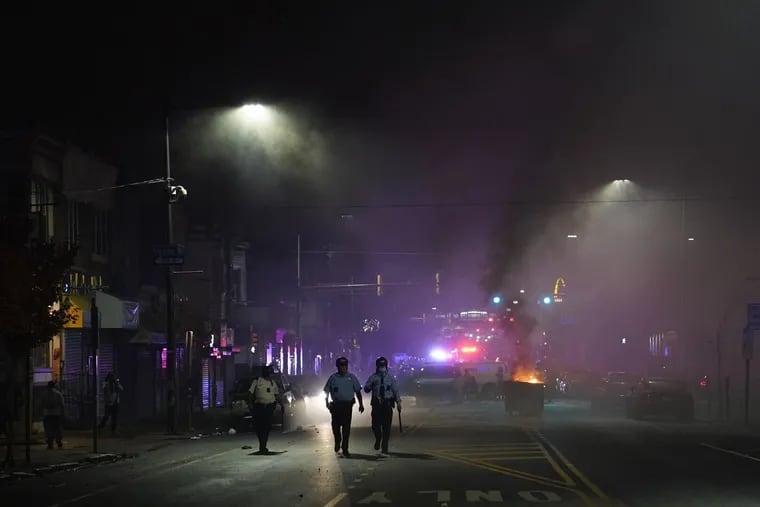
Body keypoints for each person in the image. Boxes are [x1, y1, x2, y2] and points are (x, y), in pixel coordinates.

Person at [324, 356, 364, 457]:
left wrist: (361, 404)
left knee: (346, 428)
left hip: (347, 406)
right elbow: (326, 392)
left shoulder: (352, 378)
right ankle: (338, 441)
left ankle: (345, 448)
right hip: (336, 406)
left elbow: (358, 392)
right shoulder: (333, 378)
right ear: (337, 366)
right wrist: (327, 402)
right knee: (335, 427)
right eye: (341, 365)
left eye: (345, 365)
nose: (343, 367)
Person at [364, 356, 401, 454]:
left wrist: (398, 402)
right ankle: (378, 438)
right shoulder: (373, 377)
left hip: (387, 404)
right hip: (377, 405)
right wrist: (370, 386)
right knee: (375, 425)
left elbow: (396, 390)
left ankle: (385, 445)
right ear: (377, 366)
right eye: (380, 365)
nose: (382, 367)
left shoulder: (390, 378)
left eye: (383, 365)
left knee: (387, 427)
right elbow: (366, 388)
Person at [248, 364, 281, 453]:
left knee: (267, 427)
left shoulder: (272, 382)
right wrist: (250, 404)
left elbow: (277, 395)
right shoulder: (257, 381)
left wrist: (282, 404)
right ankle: (262, 443)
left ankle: (263, 445)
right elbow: (250, 393)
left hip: (269, 407)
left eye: (268, 372)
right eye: (266, 371)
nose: (267, 373)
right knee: (259, 427)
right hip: (259, 407)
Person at [41, 381, 65, 449]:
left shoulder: (44, 394)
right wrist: (62, 413)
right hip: (56, 414)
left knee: (48, 429)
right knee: (57, 429)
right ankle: (59, 442)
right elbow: (62, 405)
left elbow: (41, 404)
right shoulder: (58, 394)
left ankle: (50, 443)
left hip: (47, 414)